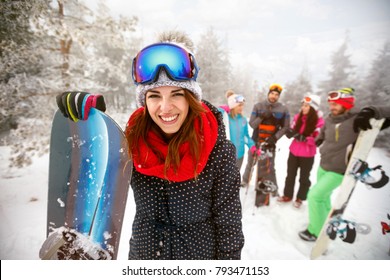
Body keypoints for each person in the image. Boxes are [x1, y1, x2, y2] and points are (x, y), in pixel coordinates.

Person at [52, 32, 245, 259]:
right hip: (144, 256)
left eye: (176, 94)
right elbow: (94, 181)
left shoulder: (217, 150)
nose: (165, 107)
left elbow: (229, 222)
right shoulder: (132, 143)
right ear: (144, 101)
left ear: (191, 98)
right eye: (154, 96)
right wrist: (89, 125)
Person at [299, 88, 390, 241]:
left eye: (336, 104)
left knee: (314, 196)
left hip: (340, 170)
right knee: (323, 197)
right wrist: (317, 140)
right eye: (331, 104)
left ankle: (315, 232)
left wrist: (370, 110)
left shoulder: (357, 119)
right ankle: (324, 223)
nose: (332, 107)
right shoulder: (329, 119)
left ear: (346, 104)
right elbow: (322, 134)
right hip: (323, 165)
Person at [241, 84, 290, 196]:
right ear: (268, 93)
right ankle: (245, 181)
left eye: (276, 94)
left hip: (270, 143)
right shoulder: (258, 106)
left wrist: (275, 137)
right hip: (256, 141)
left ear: (279, 96)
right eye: (272, 93)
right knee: (251, 163)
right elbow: (252, 124)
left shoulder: (283, 109)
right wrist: (261, 117)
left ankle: (273, 189)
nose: (274, 96)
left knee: (270, 167)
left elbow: (286, 127)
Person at [277, 95, 324, 208]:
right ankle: (287, 195)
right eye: (303, 105)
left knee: (304, 177)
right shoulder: (298, 117)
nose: (303, 107)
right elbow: (293, 127)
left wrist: (305, 138)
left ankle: (300, 198)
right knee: (290, 174)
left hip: (307, 154)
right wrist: (290, 132)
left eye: (306, 106)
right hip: (294, 151)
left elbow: (318, 138)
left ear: (313, 108)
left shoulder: (319, 121)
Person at [219, 90, 256, 170]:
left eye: (242, 105)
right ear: (233, 106)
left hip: (240, 155)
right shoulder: (225, 118)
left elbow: (245, 136)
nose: (241, 108)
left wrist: (252, 146)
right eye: (239, 105)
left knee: (234, 179)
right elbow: (214, 114)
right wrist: (222, 109)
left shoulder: (243, 120)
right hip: (226, 156)